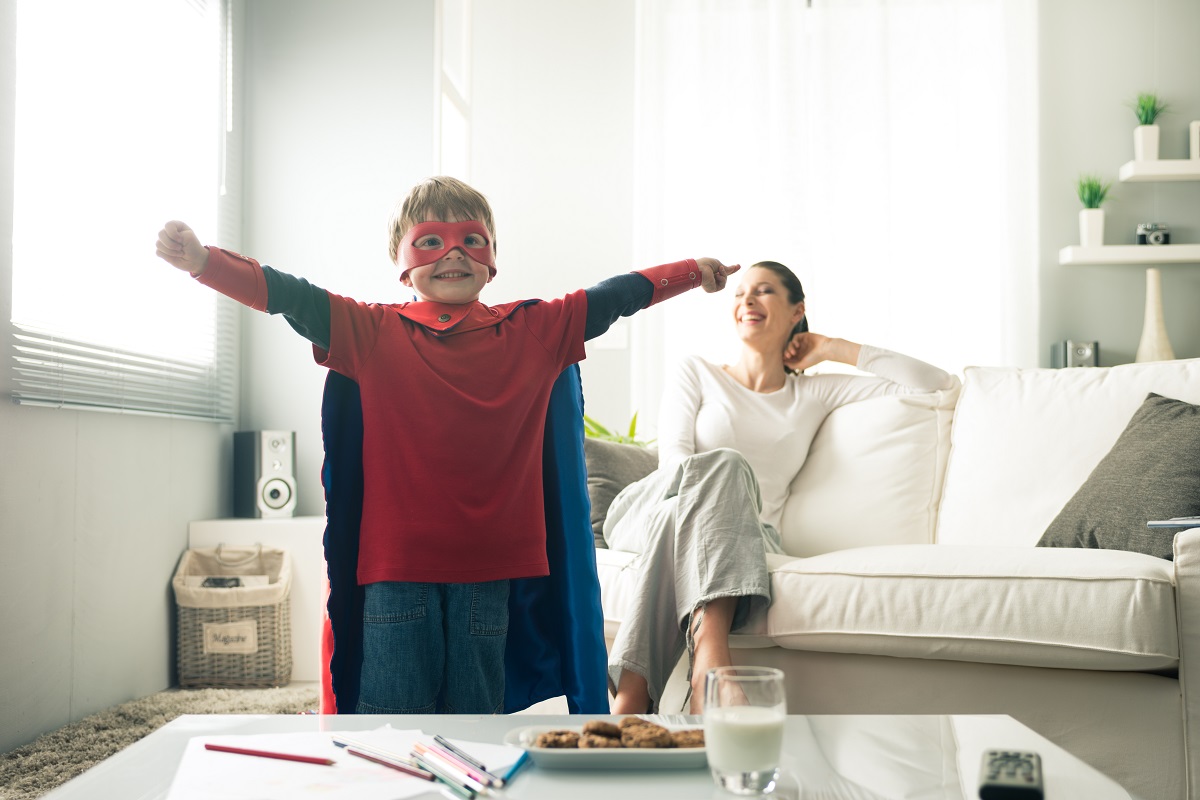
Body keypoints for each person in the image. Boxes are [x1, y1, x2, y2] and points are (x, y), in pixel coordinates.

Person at [155, 176, 739, 714]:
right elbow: (290, 295)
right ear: (402, 265)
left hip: (491, 574)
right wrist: (206, 262)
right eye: (429, 240)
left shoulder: (534, 328)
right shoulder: (370, 330)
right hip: (394, 569)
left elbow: (616, 295)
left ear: (492, 261)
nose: (453, 252)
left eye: (471, 240)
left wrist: (693, 270)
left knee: (473, 724)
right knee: (392, 723)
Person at [604, 260, 956, 714]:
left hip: (744, 538)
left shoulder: (812, 394)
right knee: (722, 469)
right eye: (739, 293)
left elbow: (937, 386)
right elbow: (675, 464)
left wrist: (832, 347)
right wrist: (719, 486)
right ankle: (710, 668)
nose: (746, 300)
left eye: (764, 291)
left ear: (796, 311)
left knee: (692, 513)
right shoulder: (697, 372)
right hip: (651, 509)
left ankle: (631, 700)